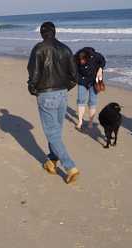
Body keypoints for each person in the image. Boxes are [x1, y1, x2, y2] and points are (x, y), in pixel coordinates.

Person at [27, 21, 80, 184]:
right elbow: (74, 75)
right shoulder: (65, 49)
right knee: (56, 132)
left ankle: (70, 167)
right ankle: (51, 161)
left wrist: (32, 87)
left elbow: (33, 72)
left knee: (53, 134)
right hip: (62, 94)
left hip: (47, 94)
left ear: (42, 33)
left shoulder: (39, 49)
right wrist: (65, 88)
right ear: (54, 32)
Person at [74, 47, 106, 130]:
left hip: (93, 81)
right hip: (82, 81)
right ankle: (80, 121)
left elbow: (103, 61)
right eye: (80, 60)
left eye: (83, 60)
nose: (81, 62)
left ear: (88, 58)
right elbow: (73, 69)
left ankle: (91, 122)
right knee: (81, 100)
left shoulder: (95, 56)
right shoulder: (75, 58)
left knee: (92, 101)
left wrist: (100, 68)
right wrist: (77, 78)